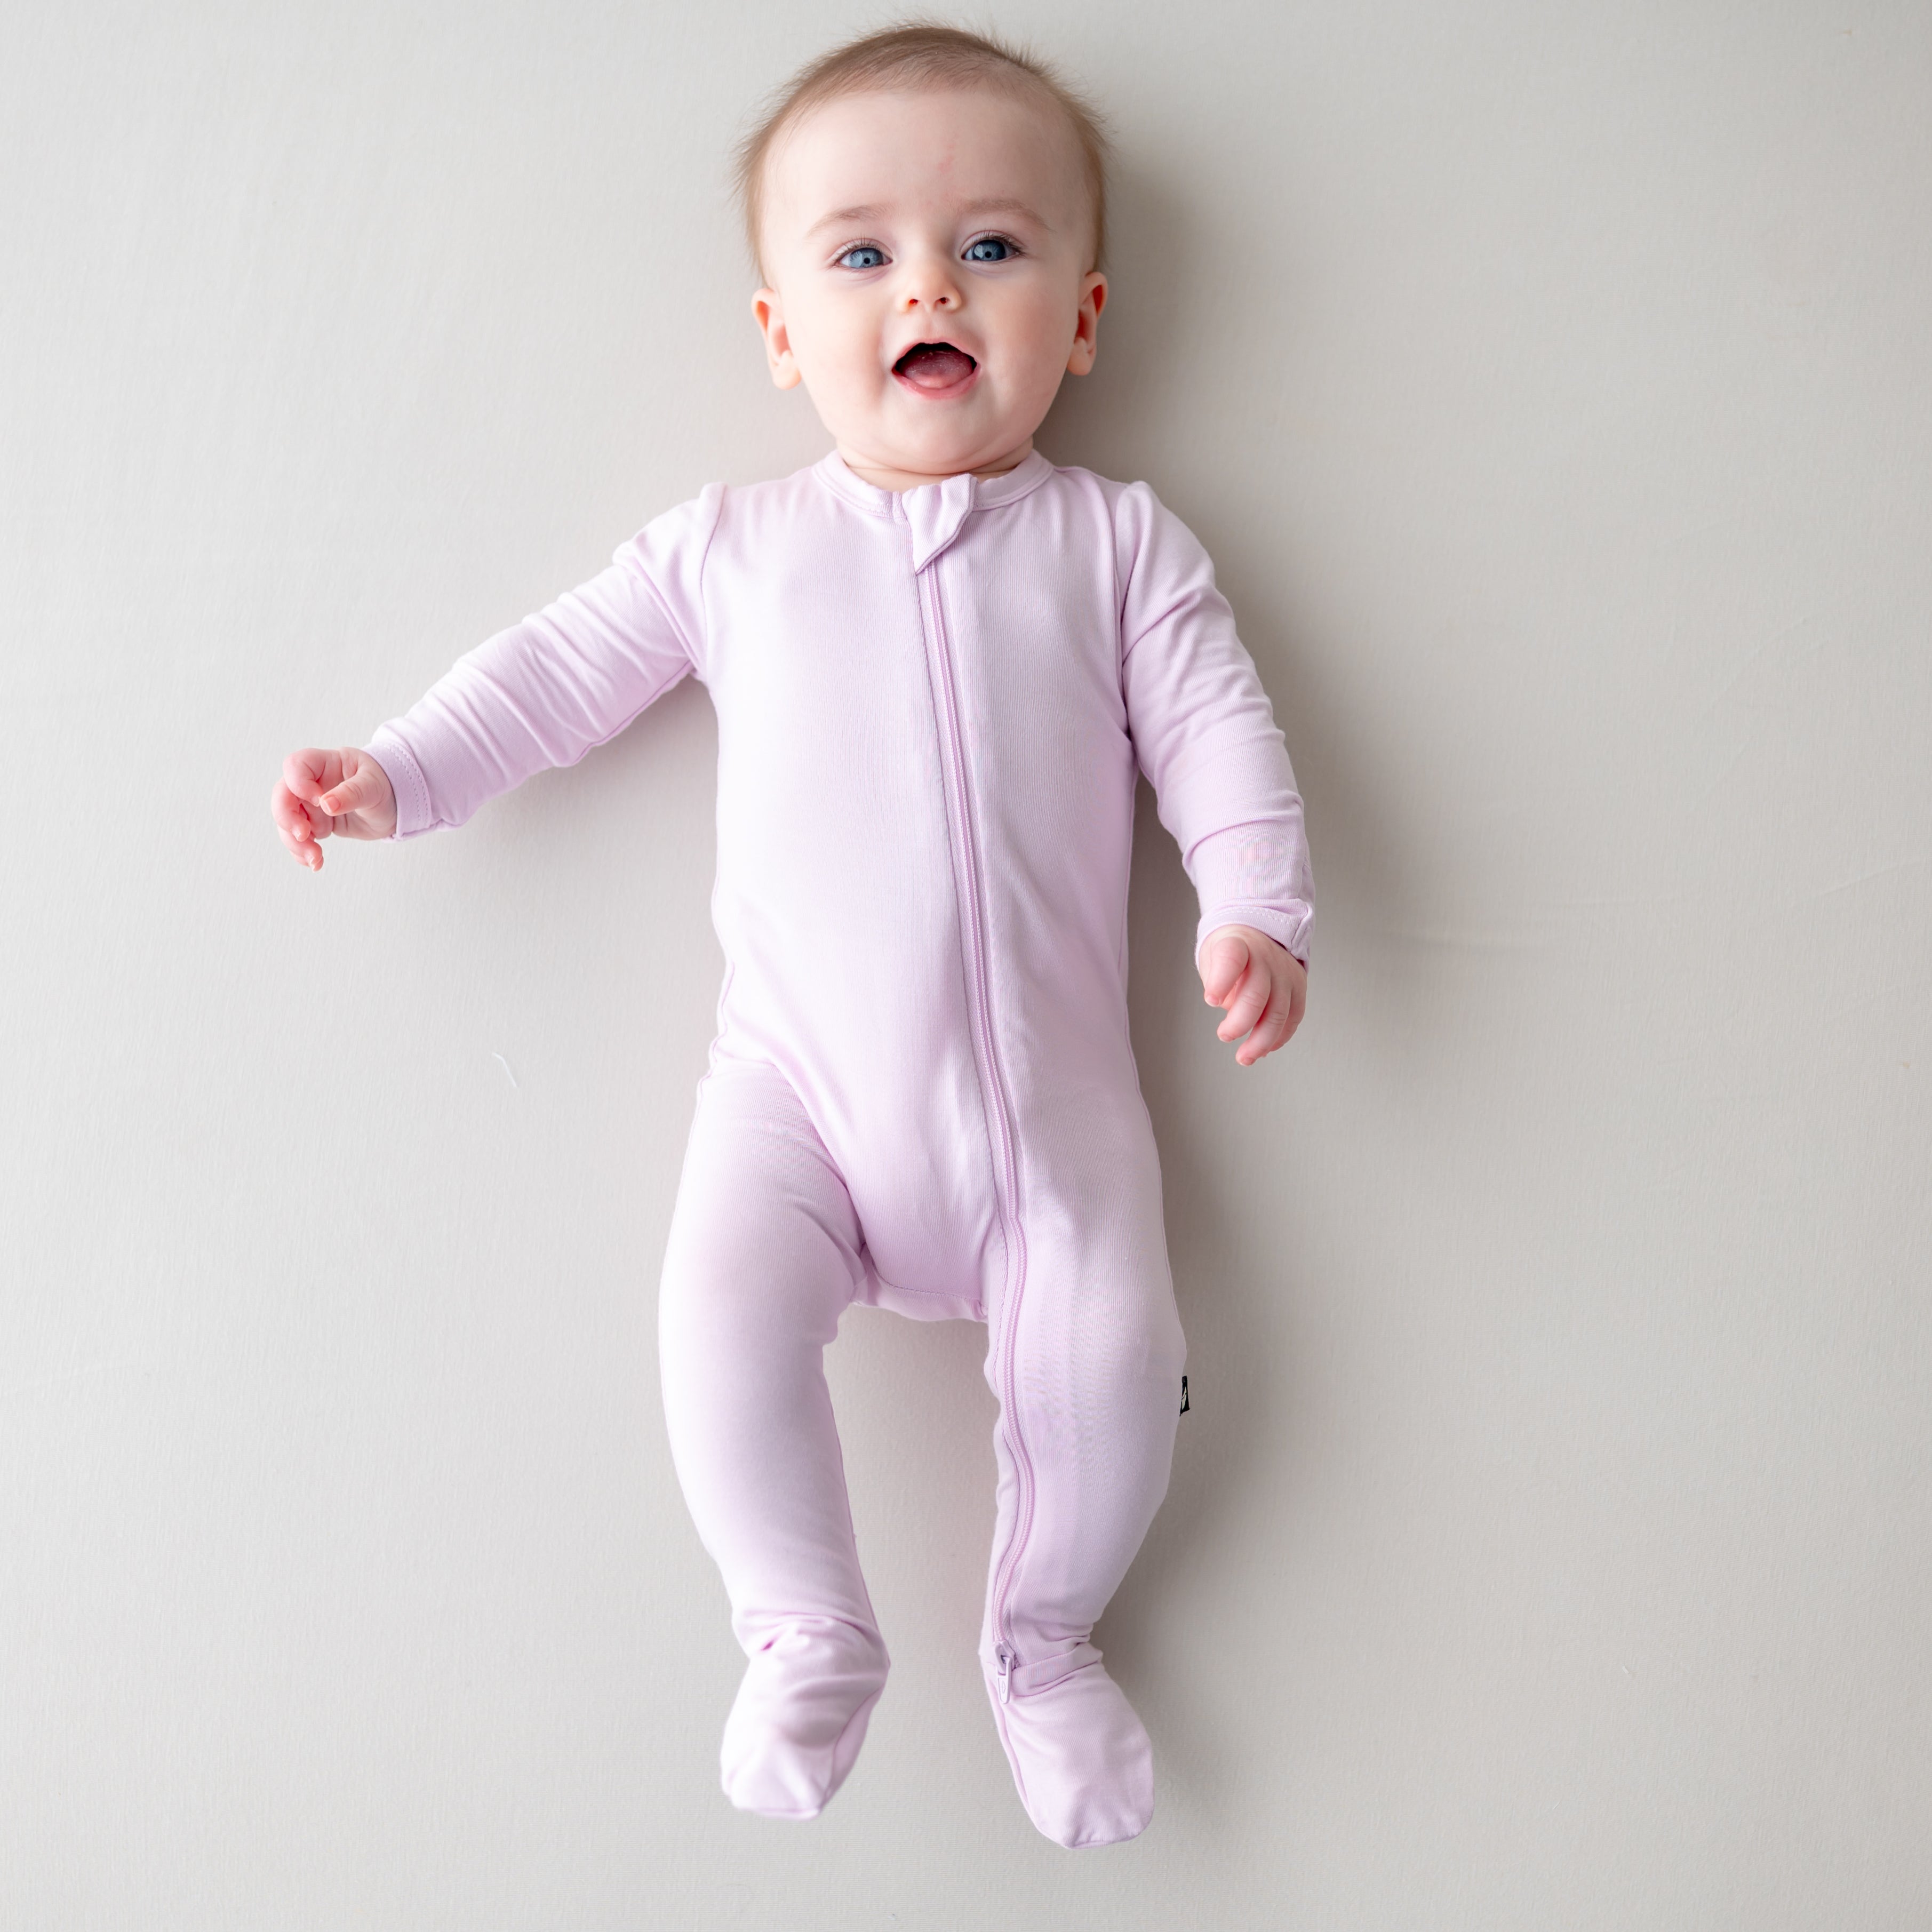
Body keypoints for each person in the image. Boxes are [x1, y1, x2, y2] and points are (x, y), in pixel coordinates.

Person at [268, 24, 1313, 1849]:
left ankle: (1046, 1638)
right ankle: (803, 1619)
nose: (930, 282)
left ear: (1079, 320)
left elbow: (1223, 728)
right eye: (863, 255)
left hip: (1054, 1129)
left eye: (992, 246)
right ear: (780, 334)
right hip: (797, 1112)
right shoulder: (732, 551)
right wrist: (404, 772)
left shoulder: (1120, 550)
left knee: (1119, 1367)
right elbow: (560, 673)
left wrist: (1253, 903)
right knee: (716, 1321)